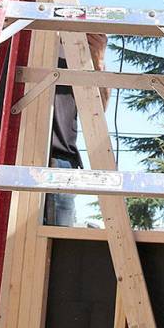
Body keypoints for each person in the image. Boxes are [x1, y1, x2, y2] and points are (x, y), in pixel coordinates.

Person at [44, 33, 110, 227]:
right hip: (17, 159)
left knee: (57, 247)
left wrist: (98, 61)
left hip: (61, 162)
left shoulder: (79, 54)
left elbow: (98, 110)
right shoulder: (28, 43)